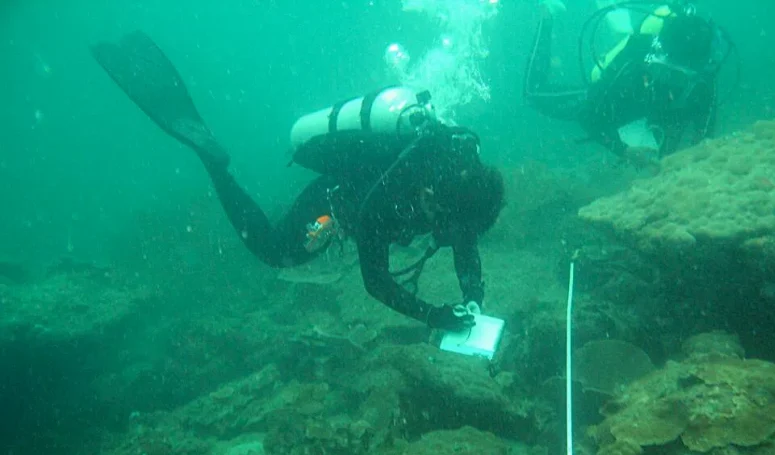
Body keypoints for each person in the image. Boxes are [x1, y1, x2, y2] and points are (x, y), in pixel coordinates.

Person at [91, 31, 504, 332]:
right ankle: (215, 164)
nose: (448, 236)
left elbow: (464, 236)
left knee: (283, 249)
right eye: (444, 226)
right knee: (276, 252)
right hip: (337, 197)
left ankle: (215, 163)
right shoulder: (390, 195)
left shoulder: (459, 183)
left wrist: (473, 300)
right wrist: (433, 317)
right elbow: (376, 283)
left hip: (374, 184)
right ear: (431, 196)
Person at [524, 0, 733, 159]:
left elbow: (705, 138)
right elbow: (588, 115)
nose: (672, 86)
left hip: (641, 111)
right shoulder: (632, 67)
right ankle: (547, 16)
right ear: (655, 62)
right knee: (533, 93)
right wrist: (623, 150)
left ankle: (620, 26)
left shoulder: (703, 78)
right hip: (615, 100)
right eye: (668, 75)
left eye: (683, 79)